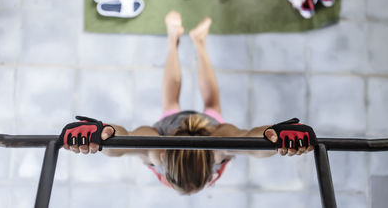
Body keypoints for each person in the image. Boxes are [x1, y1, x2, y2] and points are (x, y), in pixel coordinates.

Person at [60, 11, 315, 194]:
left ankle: (179, 40)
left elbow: (122, 143)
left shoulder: (157, 153)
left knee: (197, 105)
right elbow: (254, 143)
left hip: (169, 134)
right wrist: (276, 138)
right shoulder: (216, 148)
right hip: (209, 133)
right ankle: (193, 41)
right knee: (194, 106)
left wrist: (103, 138)